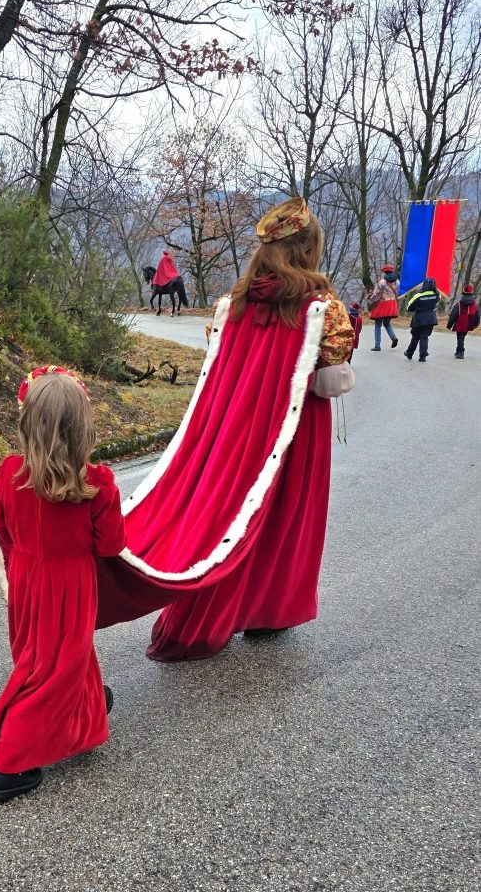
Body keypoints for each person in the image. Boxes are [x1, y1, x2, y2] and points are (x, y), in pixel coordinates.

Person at [93, 197, 355, 661]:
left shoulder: (229, 306)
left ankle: (223, 605)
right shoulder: (323, 310)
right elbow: (330, 382)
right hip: (294, 435)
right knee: (282, 516)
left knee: (231, 512)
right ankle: (266, 611)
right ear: (306, 249)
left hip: (233, 433)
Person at [0, 367, 125, 803]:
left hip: (26, 576)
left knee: (43, 653)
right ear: (83, 426)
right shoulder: (96, 483)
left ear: (27, 421)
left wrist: (18, 563)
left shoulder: (9, 473)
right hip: (70, 583)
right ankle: (11, 764)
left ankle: (86, 709)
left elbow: (2, 529)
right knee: (53, 667)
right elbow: (111, 544)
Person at [404, 278, 440, 362]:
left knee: (415, 337)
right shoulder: (437, 295)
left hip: (419, 318)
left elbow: (409, 307)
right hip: (430, 318)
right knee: (424, 337)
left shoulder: (418, 295)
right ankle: (423, 356)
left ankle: (409, 353)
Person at [368, 264, 399, 350]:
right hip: (392, 303)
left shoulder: (382, 282)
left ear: (384, 272)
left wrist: (370, 298)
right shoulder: (397, 282)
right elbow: (399, 291)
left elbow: (376, 293)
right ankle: (393, 337)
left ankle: (377, 345)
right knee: (386, 323)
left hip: (383, 303)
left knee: (378, 324)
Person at [447, 284, 479, 359]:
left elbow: (453, 314)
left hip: (460, 323)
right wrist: (476, 324)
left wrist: (449, 324)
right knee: (462, 337)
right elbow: (477, 315)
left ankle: (461, 352)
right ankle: (458, 350)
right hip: (469, 323)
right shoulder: (474, 304)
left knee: (460, 337)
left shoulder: (459, 303)